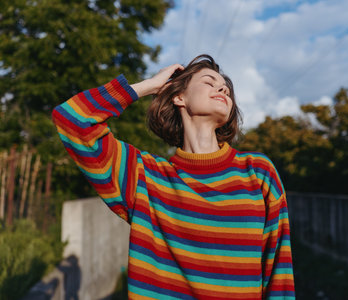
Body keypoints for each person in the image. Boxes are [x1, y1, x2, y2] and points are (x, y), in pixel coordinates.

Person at [52, 54, 295, 299]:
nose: (222, 88)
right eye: (209, 82)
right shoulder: (144, 177)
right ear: (179, 97)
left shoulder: (259, 171)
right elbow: (72, 121)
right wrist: (148, 86)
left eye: (226, 89)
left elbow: (279, 272)